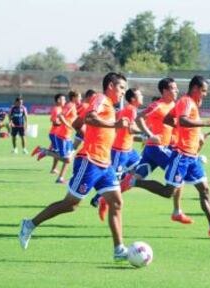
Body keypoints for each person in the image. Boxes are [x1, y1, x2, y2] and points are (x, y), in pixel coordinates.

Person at [18, 72, 130, 261]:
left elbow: (80, 122)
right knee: (71, 204)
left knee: (117, 202)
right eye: (121, 88)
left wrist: (92, 130)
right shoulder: (101, 98)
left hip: (105, 164)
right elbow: (92, 117)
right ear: (111, 86)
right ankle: (29, 224)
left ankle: (119, 249)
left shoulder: (109, 105)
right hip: (90, 161)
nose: (123, 93)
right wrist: (113, 124)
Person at [121, 75, 210, 239]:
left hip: (193, 157)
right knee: (168, 192)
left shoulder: (188, 103)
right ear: (195, 89)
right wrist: (203, 124)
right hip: (181, 156)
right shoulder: (186, 102)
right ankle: (133, 181)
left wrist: (186, 130)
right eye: (203, 91)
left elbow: (168, 119)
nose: (205, 94)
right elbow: (183, 120)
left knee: (205, 190)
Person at [90, 88, 143, 220]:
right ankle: (100, 198)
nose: (142, 96)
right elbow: (130, 128)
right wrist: (145, 132)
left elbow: (126, 129)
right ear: (133, 99)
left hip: (129, 150)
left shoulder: (130, 109)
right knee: (114, 177)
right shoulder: (130, 109)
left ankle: (118, 187)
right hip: (120, 150)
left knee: (139, 170)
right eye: (140, 95)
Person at [32, 93, 67, 174]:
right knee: (57, 153)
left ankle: (52, 167)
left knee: (55, 151)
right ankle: (41, 150)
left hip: (58, 134)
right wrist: (65, 124)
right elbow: (54, 122)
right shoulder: (56, 109)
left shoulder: (61, 109)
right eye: (63, 99)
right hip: (55, 134)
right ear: (58, 100)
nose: (65, 101)